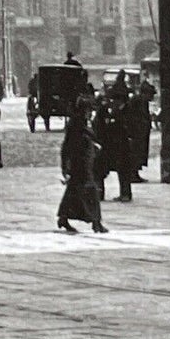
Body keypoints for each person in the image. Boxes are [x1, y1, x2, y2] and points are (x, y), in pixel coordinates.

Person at [57, 93, 108, 234]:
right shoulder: (76, 125)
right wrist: (65, 166)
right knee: (91, 192)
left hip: (84, 163)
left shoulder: (82, 124)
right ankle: (96, 223)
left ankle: (63, 217)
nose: (90, 113)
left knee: (74, 192)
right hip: (80, 164)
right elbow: (68, 147)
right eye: (88, 110)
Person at [93, 88, 134, 202]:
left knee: (123, 170)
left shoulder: (126, 111)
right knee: (100, 169)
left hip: (121, 145)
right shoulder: (107, 110)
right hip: (108, 145)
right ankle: (99, 193)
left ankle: (125, 194)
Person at [128, 81, 155, 183]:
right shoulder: (138, 100)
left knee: (139, 154)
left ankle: (135, 173)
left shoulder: (142, 101)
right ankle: (133, 173)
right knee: (136, 153)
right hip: (137, 133)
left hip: (141, 133)